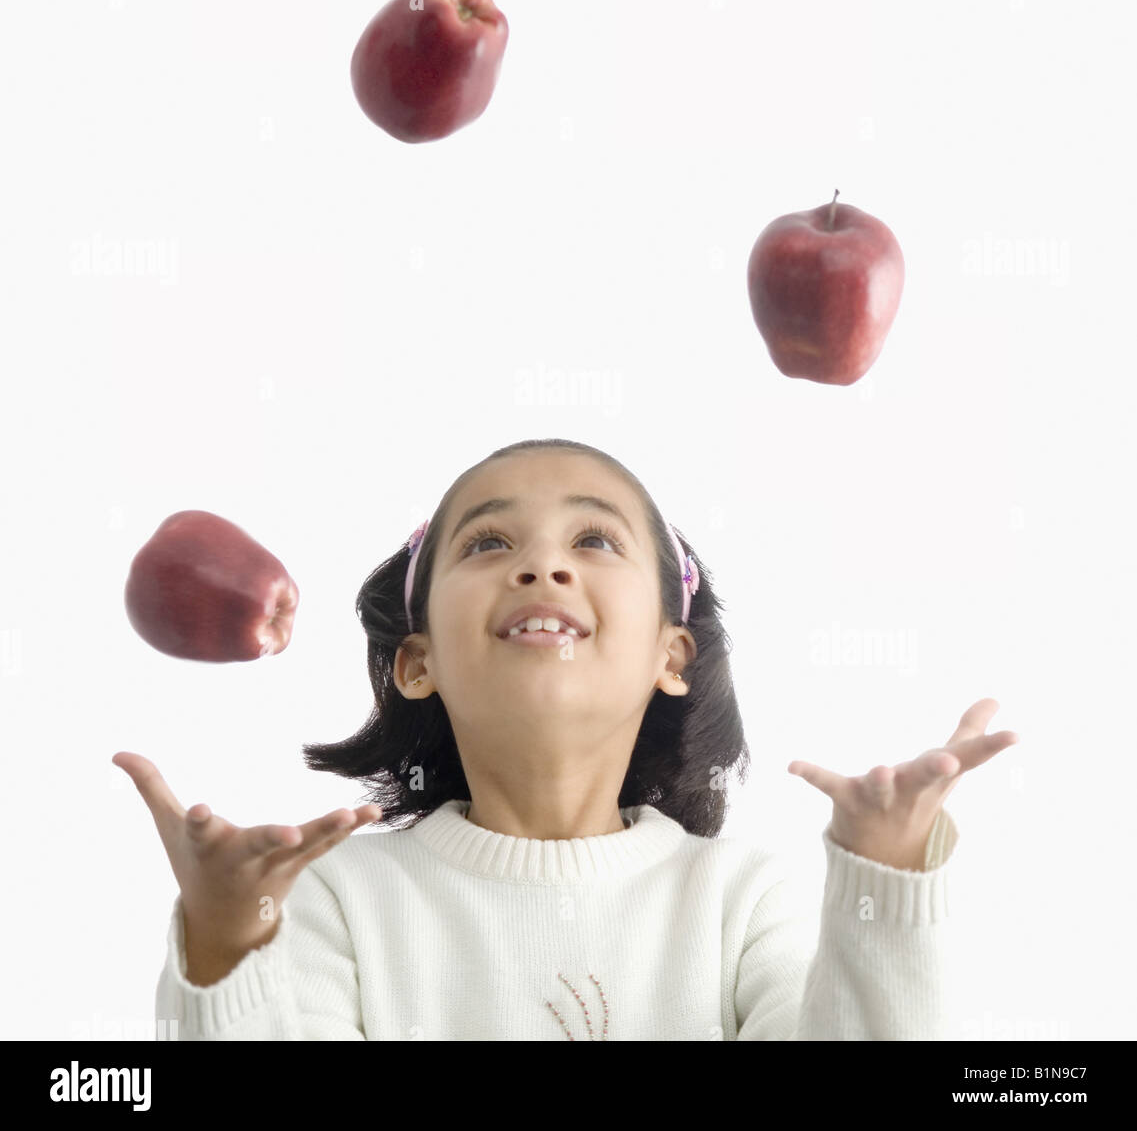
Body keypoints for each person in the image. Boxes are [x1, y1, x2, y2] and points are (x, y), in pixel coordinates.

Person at [115, 437, 1017, 1041]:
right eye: (485, 543)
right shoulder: (339, 898)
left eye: (593, 538)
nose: (541, 563)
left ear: (672, 654)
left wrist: (887, 880)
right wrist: (229, 939)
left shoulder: (739, 899)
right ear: (416, 661)